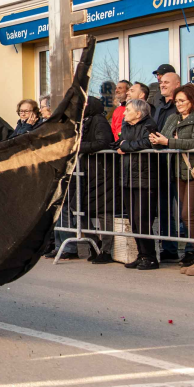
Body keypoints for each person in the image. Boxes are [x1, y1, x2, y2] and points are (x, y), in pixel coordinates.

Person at [150, 84, 194, 276]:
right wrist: (157, 141)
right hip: (178, 172)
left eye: (182, 101)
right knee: (187, 216)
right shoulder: (173, 118)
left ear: (193, 100)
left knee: (190, 215)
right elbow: (165, 139)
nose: (178, 104)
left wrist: (168, 142)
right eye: (176, 101)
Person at [115, 99, 160, 270]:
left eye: (128, 110)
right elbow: (121, 143)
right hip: (127, 177)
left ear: (139, 114)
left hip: (144, 178)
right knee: (133, 220)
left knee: (143, 220)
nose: (124, 113)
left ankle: (150, 257)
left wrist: (127, 146)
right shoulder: (127, 125)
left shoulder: (149, 124)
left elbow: (148, 142)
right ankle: (141, 254)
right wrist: (123, 146)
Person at [78, 96, 116, 263]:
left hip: (101, 171)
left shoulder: (99, 120)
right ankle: (94, 243)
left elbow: (104, 142)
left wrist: (80, 148)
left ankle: (106, 250)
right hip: (87, 171)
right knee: (78, 208)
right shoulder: (84, 121)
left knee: (103, 211)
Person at [151, 67, 183, 262]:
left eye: (166, 82)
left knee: (185, 210)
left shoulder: (181, 106)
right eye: (161, 82)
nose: (162, 84)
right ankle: (169, 248)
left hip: (178, 166)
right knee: (164, 209)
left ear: (177, 85)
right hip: (161, 165)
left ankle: (189, 249)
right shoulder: (159, 105)